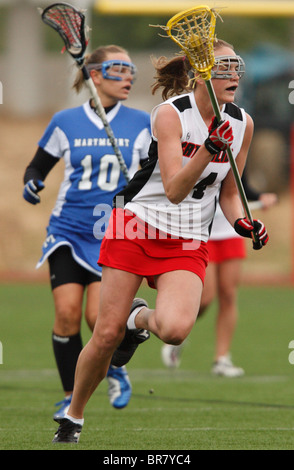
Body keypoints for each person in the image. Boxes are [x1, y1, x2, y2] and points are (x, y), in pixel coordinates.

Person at [52, 38, 269, 443]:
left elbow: (228, 193)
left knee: (174, 329)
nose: (234, 75)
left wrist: (244, 223)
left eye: (237, 67)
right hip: (137, 225)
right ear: (202, 73)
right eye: (224, 67)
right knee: (104, 333)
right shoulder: (170, 115)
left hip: (187, 237)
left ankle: (140, 320)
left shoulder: (244, 123)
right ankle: (74, 416)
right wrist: (207, 150)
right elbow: (173, 188)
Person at [22, 45, 151, 418]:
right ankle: (69, 396)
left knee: (100, 320)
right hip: (68, 229)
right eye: (119, 69)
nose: (129, 76)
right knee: (66, 315)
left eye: (132, 70)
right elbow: (36, 168)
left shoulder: (143, 123)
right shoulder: (65, 121)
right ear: (95, 75)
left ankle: (114, 366)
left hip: (115, 233)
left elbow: (155, 177)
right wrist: (32, 184)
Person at [161, 175, 277, 375]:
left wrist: (260, 196)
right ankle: (177, 329)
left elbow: (238, 184)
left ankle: (221, 359)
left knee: (229, 295)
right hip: (200, 229)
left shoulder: (235, 145)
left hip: (231, 229)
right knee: (205, 297)